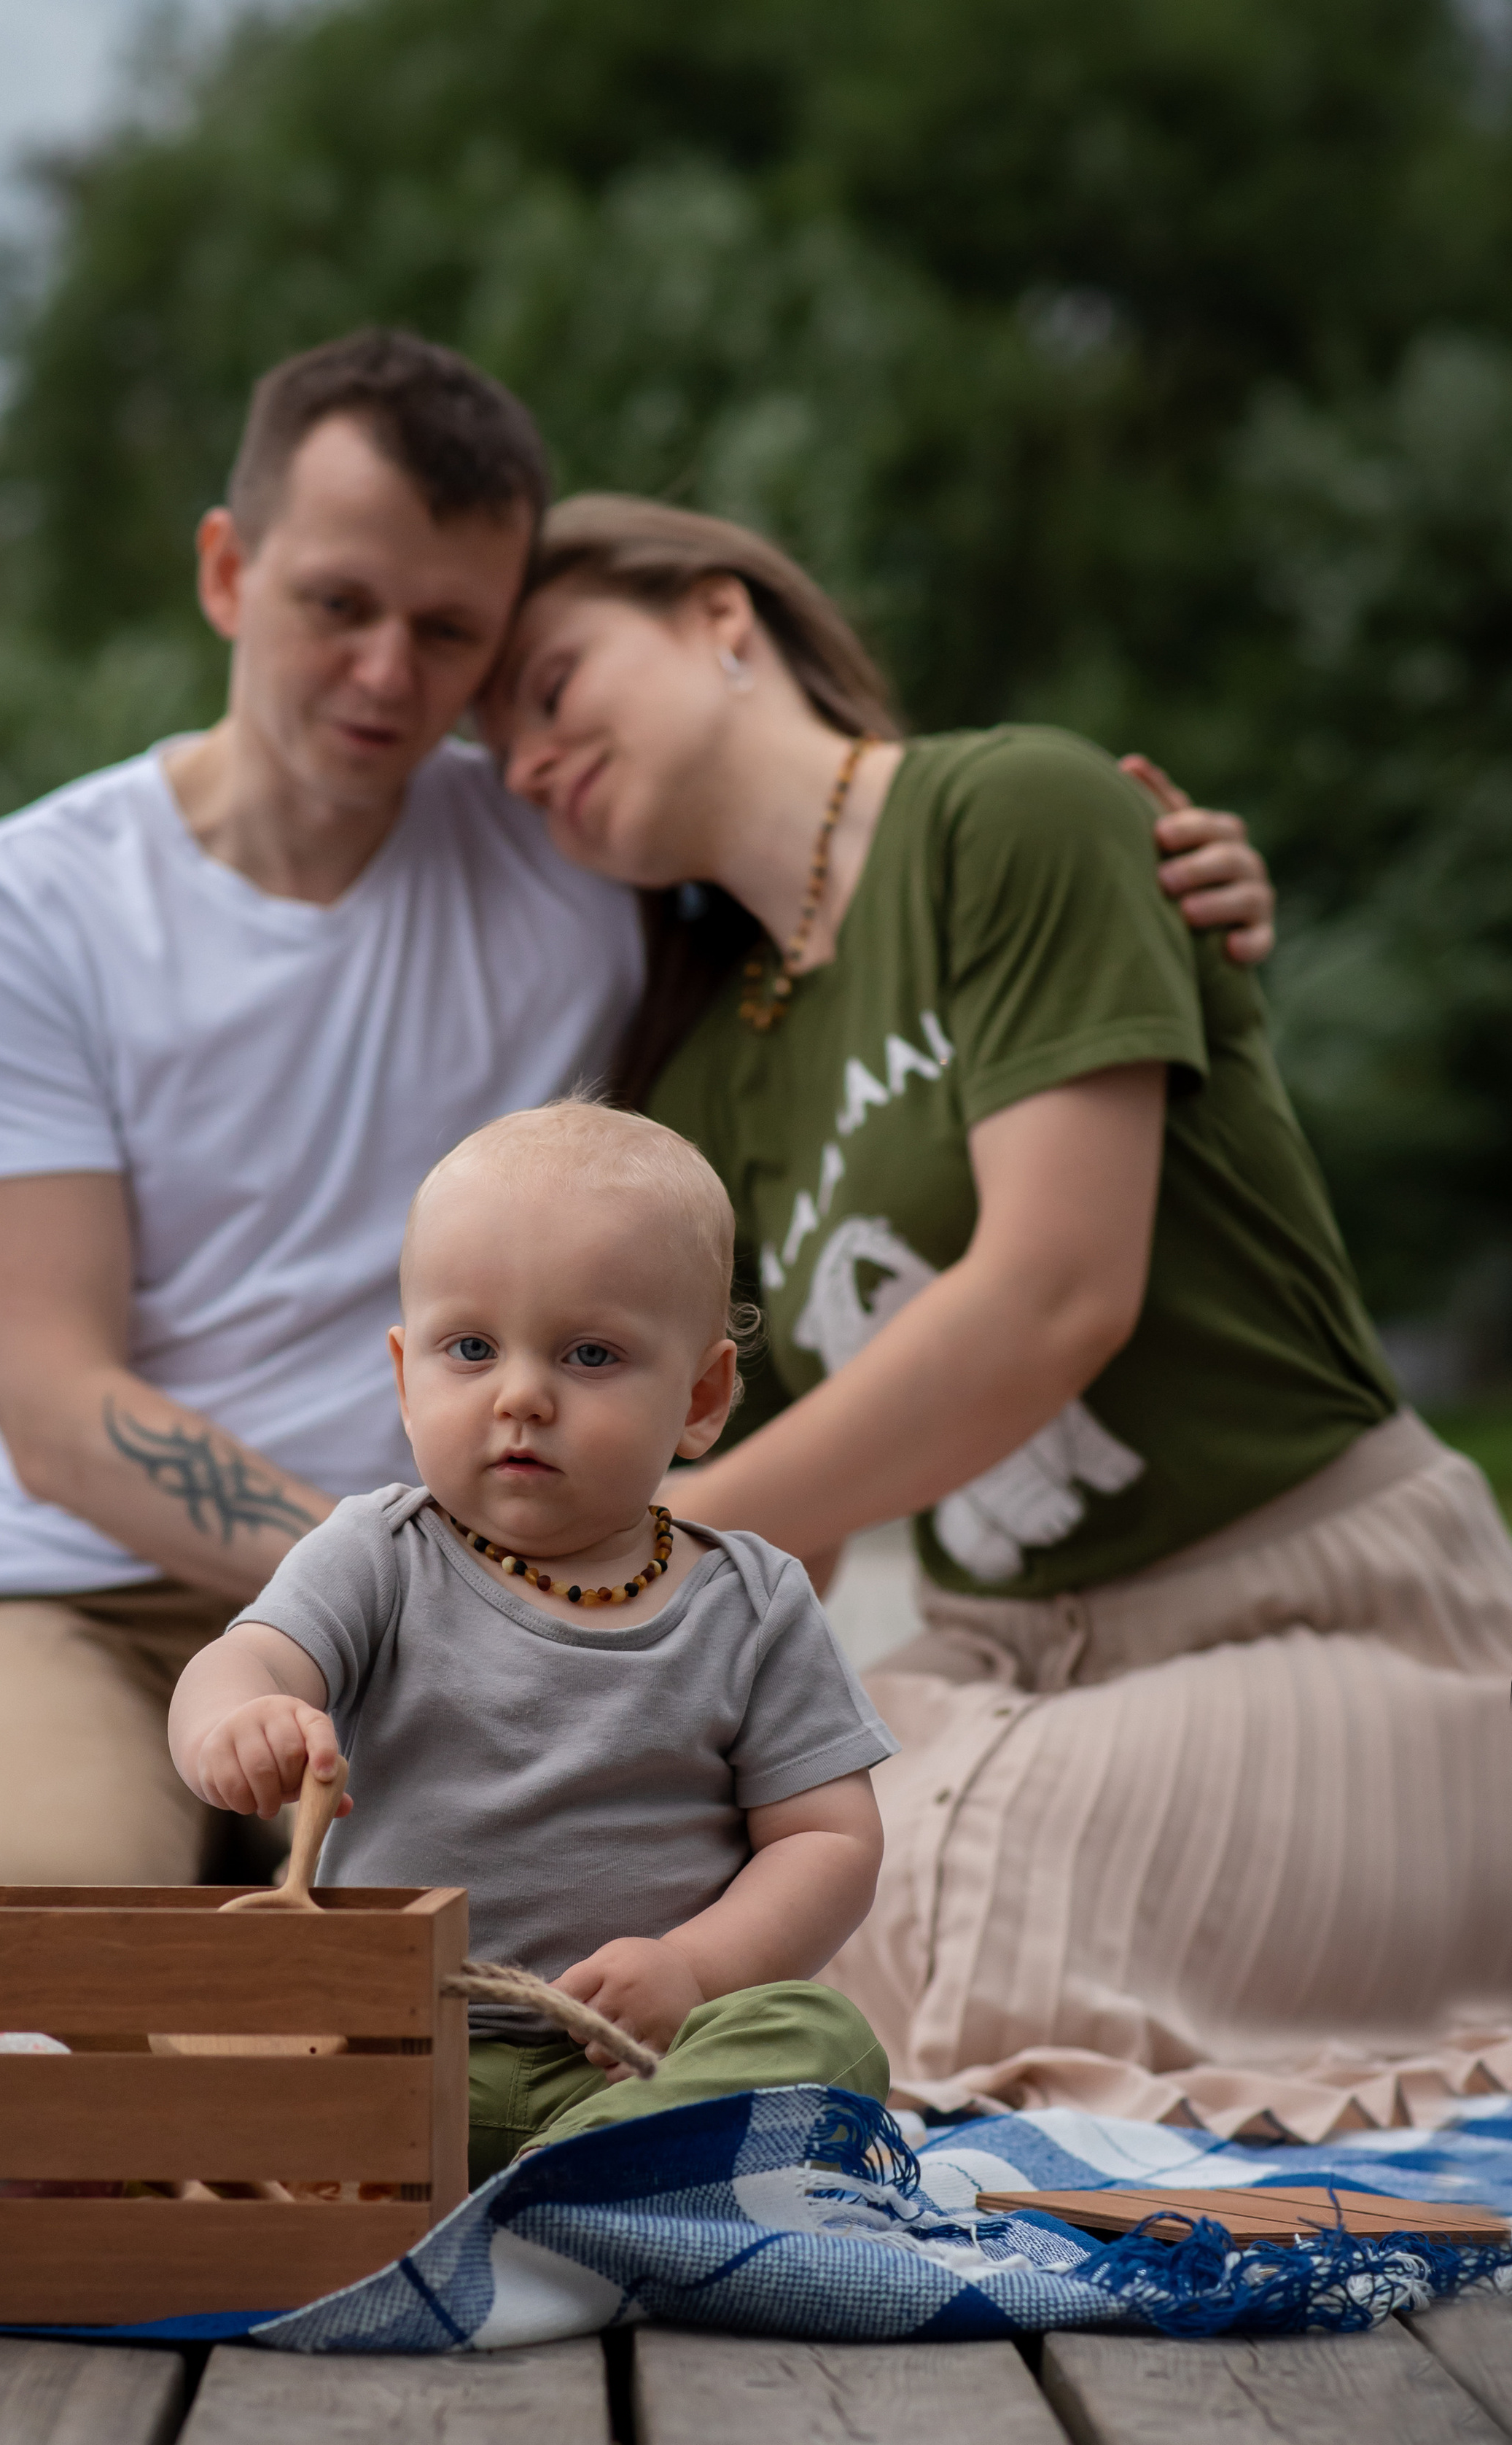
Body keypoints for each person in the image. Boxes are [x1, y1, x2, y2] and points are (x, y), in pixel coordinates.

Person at [0, 325, 1273, 1902]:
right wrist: (408, 1580)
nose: (389, 673)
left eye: (449, 630)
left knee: (557, 2004)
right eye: (338, 604)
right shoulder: (12, 912)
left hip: (514, 1619)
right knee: (37, 2021)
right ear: (225, 573)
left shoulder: (567, 847)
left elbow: (857, 921)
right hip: (101, 1599)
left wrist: (1170, 897)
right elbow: (60, 1414)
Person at [486, 494, 1512, 2143]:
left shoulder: (1013, 811)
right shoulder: (705, 1067)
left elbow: (1053, 1294)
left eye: (550, 686)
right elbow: (782, 1516)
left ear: (720, 617)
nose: (529, 759)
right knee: (725, 1895)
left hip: (1323, 1618)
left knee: (970, 1864)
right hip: (1014, 1657)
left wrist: (630, 1538)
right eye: (502, 754)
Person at [169, 1101, 893, 2182]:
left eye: (589, 1354)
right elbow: (245, 1660)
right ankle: (544, 2192)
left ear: (700, 1398)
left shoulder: (753, 1600)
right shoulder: (381, 1552)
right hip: (399, 2048)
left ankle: (573, 2174)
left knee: (829, 2042)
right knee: (213, 2034)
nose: (520, 1395)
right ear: (405, 1374)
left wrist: (693, 1968)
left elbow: (829, 1841)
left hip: (629, 2064)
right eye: (471, 1348)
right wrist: (238, 1721)